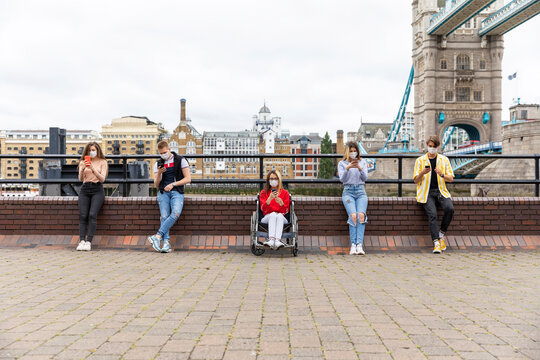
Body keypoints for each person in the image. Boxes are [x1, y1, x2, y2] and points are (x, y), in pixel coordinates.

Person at [413, 135, 455, 254]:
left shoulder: (444, 160)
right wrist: (422, 172)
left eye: (434, 147)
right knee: (433, 215)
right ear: (427, 146)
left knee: (450, 209)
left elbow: (451, 178)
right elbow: (416, 180)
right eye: (430, 146)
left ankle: (441, 234)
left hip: (441, 191)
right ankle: (436, 242)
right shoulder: (420, 160)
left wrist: (441, 174)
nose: (431, 149)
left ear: (437, 147)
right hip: (426, 193)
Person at [147, 140, 191, 253]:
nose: (163, 155)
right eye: (161, 153)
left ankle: (157, 237)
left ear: (169, 150)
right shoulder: (158, 164)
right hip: (163, 192)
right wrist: (160, 173)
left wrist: (173, 184)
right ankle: (166, 243)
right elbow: (156, 184)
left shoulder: (181, 160)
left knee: (176, 213)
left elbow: (188, 179)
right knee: (164, 216)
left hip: (176, 191)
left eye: (165, 152)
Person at [338, 142, 369, 255]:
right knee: (353, 215)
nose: (353, 153)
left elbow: (365, 178)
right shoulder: (342, 163)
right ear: (347, 152)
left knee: (361, 215)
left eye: (354, 151)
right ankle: (353, 245)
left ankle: (359, 245)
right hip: (348, 192)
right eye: (350, 151)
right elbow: (342, 179)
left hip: (361, 191)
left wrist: (360, 168)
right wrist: (347, 168)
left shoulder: (363, 162)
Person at [77, 142, 108, 251]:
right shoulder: (82, 162)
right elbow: (80, 179)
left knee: (92, 214)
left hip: (97, 189)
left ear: (98, 150)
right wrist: (82, 169)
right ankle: (81, 241)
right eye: (90, 150)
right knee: (83, 215)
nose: (92, 152)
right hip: (85, 189)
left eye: (94, 150)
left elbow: (103, 179)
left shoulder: (102, 162)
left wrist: (92, 169)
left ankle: (89, 241)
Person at [259, 170, 290, 250]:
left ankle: (277, 241)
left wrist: (281, 203)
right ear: (268, 180)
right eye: (271, 178)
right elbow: (263, 209)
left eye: (275, 178)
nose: (273, 181)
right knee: (273, 214)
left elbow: (286, 211)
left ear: (279, 180)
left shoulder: (285, 193)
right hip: (267, 216)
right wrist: (269, 200)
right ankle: (272, 239)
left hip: (281, 217)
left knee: (279, 215)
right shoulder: (264, 193)